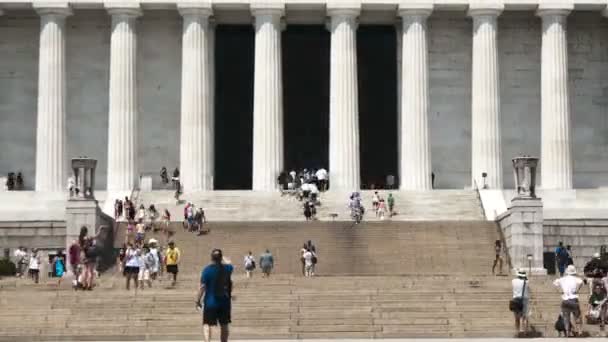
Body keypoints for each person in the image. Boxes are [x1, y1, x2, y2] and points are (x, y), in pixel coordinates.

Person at [196, 249, 233, 342]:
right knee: (224, 324)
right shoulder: (228, 268)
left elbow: (202, 287)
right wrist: (223, 258)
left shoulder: (207, 270)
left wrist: (197, 300)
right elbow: (229, 263)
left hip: (210, 302)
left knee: (207, 324)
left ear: (211, 258)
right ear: (220, 258)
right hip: (224, 302)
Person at [553, 265, 584, 337]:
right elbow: (581, 282)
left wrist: (560, 291)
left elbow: (555, 283)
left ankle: (567, 332)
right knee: (577, 316)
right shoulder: (576, 279)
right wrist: (577, 289)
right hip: (573, 299)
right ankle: (579, 331)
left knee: (566, 317)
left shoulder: (562, 279)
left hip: (565, 300)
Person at [511, 270, 530, 334]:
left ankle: (517, 331)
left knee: (517, 317)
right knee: (524, 317)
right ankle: (525, 331)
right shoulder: (526, 282)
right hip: (524, 299)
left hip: (515, 299)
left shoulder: (513, 281)